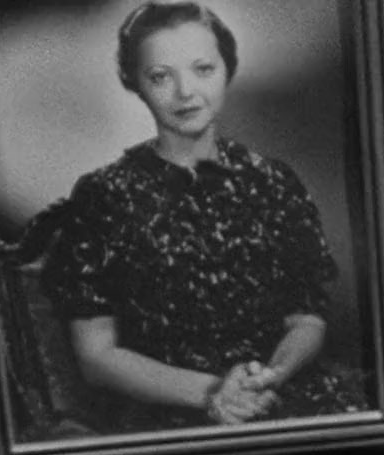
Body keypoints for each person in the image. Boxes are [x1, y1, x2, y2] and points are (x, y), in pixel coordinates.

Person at [37, 1, 363, 432]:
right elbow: (97, 358)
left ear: (227, 70)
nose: (185, 92)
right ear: (134, 83)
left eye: (203, 69)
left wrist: (270, 377)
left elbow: (306, 319)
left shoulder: (274, 182)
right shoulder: (104, 196)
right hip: (167, 411)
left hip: (276, 393)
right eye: (160, 76)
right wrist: (213, 393)